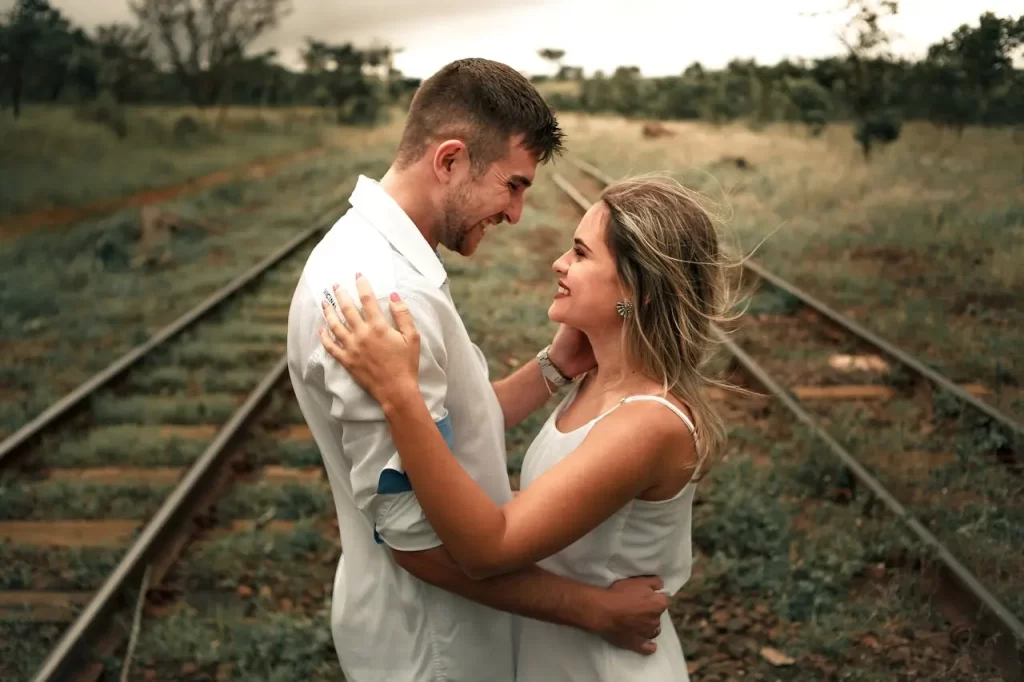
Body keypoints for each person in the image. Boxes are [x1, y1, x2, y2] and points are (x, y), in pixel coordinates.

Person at [286, 58, 670, 682]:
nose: (516, 213)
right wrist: (594, 611)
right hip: (435, 646)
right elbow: (418, 542)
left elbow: (444, 434)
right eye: (513, 185)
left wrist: (552, 368)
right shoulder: (383, 297)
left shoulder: (373, 257)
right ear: (450, 160)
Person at [317, 173, 736, 681]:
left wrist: (400, 395)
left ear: (637, 290)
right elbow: (520, 478)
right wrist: (553, 368)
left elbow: (486, 550)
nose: (560, 263)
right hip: (561, 655)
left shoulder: (648, 423)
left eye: (581, 254)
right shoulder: (597, 383)